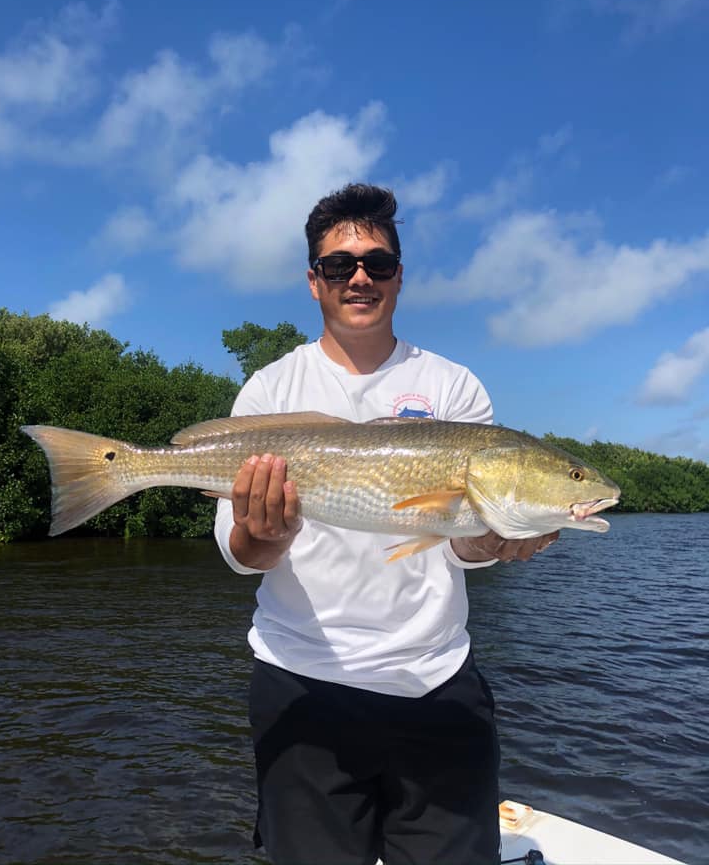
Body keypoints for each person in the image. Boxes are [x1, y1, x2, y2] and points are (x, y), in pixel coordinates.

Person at [214, 183, 557, 865]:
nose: (360, 277)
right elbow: (239, 550)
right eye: (340, 266)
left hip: (435, 683)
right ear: (314, 282)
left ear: (400, 276)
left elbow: (462, 545)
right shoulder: (269, 392)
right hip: (300, 685)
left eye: (378, 262)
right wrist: (265, 536)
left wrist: (496, 536)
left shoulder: (455, 389)